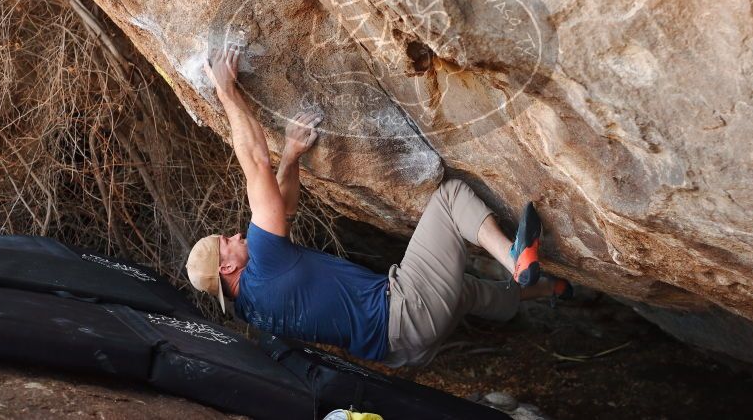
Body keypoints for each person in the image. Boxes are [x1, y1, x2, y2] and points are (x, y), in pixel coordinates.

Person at [186, 46, 572, 367]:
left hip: (403, 349)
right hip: (404, 312)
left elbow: (281, 213)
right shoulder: (264, 267)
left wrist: (290, 157)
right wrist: (227, 93)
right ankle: (515, 259)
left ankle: (548, 289)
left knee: (459, 290)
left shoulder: (252, 308)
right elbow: (255, 164)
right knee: (451, 198)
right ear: (227, 267)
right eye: (227, 240)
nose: (237, 234)